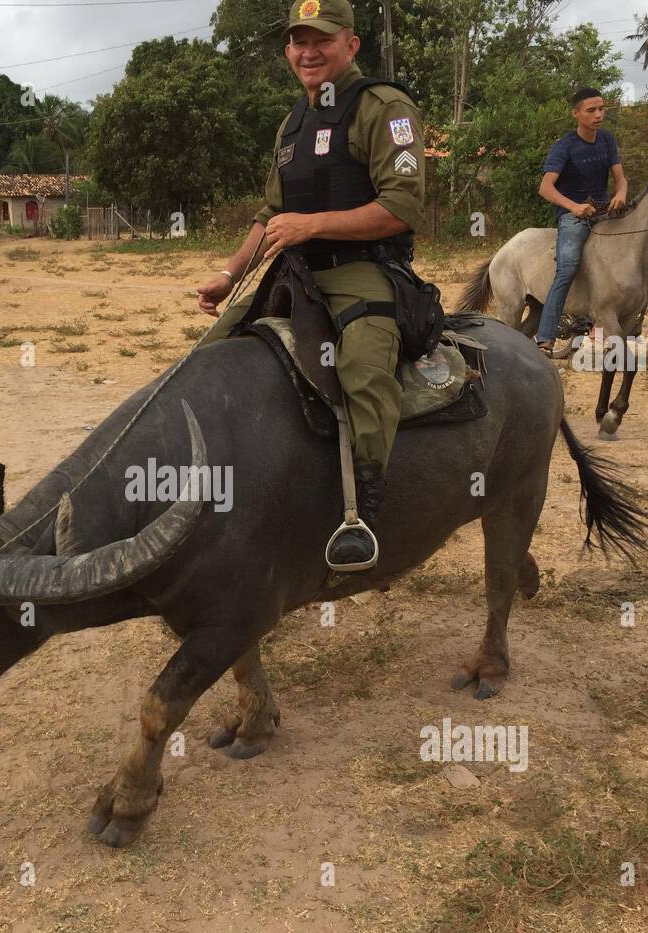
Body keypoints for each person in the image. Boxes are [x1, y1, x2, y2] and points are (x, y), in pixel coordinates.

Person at [194, 0, 424, 572]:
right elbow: (270, 212)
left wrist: (312, 226)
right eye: (298, 41)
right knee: (206, 359)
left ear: (351, 44)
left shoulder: (383, 107)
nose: (308, 51)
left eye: (321, 40)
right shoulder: (292, 122)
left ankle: (363, 513)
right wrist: (228, 275)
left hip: (361, 270)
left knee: (365, 371)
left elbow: (401, 206)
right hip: (295, 272)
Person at [535, 87, 648, 355]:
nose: (598, 115)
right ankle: (545, 336)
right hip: (573, 217)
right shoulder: (564, 146)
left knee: (647, 263)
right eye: (591, 110)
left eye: (601, 109)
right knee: (567, 265)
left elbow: (621, 178)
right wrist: (574, 207)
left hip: (605, 214)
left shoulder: (606, 140)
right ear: (576, 114)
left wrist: (621, 193)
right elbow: (545, 188)